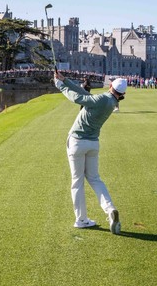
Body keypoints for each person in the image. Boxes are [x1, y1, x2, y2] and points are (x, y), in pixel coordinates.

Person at [54, 72, 126, 235]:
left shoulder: (102, 99)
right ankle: (110, 209)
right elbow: (86, 94)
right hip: (93, 144)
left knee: (77, 181)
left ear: (110, 86)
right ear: (122, 94)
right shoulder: (110, 102)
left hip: (77, 142)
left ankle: (81, 219)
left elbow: (78, 99)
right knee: (94, 179)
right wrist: (65, 80)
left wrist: (60, 86)